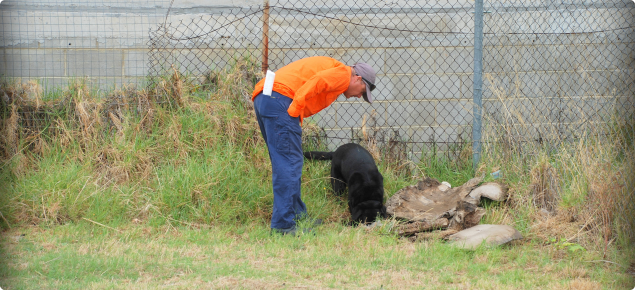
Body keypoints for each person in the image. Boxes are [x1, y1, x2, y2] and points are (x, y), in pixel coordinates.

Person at [251, 56, 377, 235]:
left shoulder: (337, 72)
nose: (359, 96)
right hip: (280, 98)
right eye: (362, 91)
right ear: (357, 79)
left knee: (286, 163)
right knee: (289, 164)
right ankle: (284, 226)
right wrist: (294, 110)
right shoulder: (343, 74)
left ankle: (297, 215)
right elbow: (316, 82)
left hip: (267, 96)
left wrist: (295, 114)